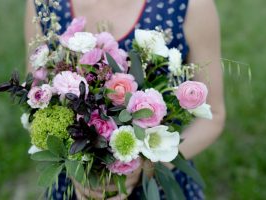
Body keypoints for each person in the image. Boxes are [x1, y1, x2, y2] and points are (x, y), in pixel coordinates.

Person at [25, 0, 226, 199]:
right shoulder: (45, 5)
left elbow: (214, 115)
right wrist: (76, 168)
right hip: (76, 186)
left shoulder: (190, 5)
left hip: (155, 184)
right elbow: (35, 101)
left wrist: (145, 166)